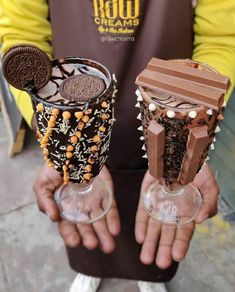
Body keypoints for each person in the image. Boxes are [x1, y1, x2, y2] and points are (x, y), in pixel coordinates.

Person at [0, 1, 235, 291]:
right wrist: (54, 136)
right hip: (76, 133)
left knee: (157, 234)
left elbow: (221, 39)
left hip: (168, 131)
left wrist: (191, 131)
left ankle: (145, 277)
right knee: (86, 220)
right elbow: (23, 34)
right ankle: (91, 269)